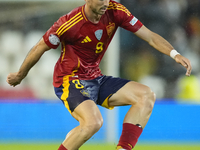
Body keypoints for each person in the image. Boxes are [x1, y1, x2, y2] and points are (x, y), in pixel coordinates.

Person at [7, 0, 192, 150]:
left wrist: (174, 54)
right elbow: (40, 47)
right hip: (69, 80)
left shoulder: (116, 10)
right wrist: (20, 75)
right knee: (93, 122)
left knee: (146, 95)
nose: (106, 2)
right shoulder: (69, 23)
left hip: (95, 77)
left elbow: (150, 36)